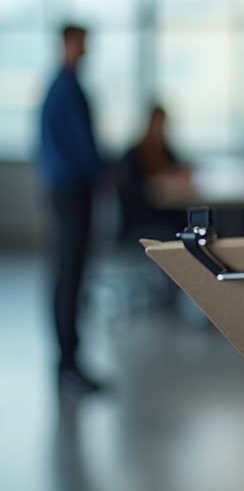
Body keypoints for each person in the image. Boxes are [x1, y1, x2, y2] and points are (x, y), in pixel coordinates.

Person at [36, 24, 107, 394]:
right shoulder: (66, 89)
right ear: (67, 43)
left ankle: (68, 361)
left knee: (69, 272)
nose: (86, 49)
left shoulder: (62, 86)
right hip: (71, 190)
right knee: (70, 274)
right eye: (81, 42)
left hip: (66, 188)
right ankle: (68, 364)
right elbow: (82, 148)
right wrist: (106, 171)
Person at [117, 104, 187, 243]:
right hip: (144, 214)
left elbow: (177, 171)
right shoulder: (134, 155)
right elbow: (136, 189)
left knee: (190, 220)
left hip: (166, 208)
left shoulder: (165, 151)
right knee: (178, 223)